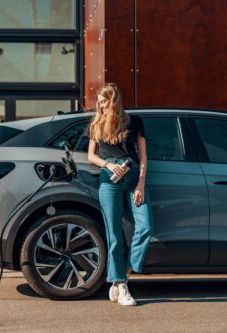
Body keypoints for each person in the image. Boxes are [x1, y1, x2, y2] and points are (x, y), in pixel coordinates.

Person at [87, 82, 154, 306]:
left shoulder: (134, 122)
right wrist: (107, 165)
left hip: (133, 177)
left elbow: (143, 156)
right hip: (109, 181)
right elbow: (91, 157)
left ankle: (123, 275)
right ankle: (120, 285)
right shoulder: (97, 123)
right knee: (114, 234)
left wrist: (141, 184)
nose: (101, 106)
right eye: (99, 102)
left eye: (104, 101)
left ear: (114, 100)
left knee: (145, 227)